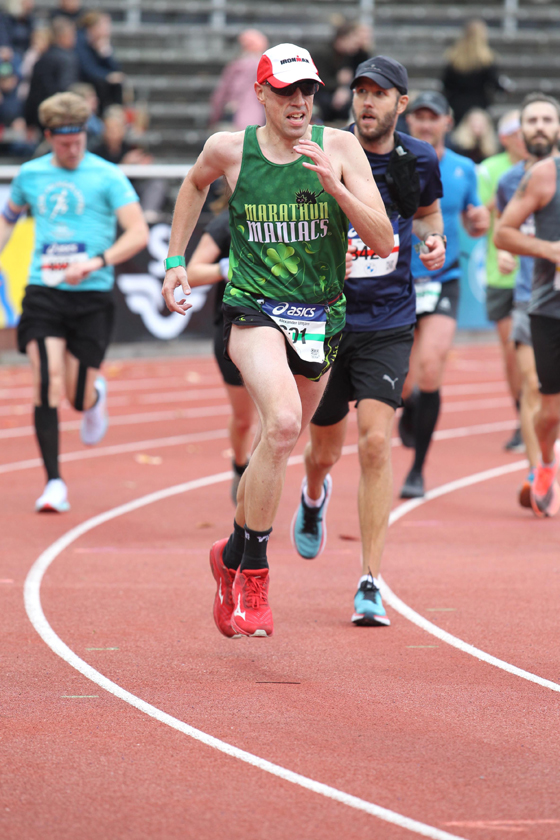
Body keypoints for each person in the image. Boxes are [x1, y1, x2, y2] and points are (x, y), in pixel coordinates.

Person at [162, 43, 394, 638]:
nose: (299, 102)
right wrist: (174, 260)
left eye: (307, 91)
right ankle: (256, 575)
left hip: (322, 318)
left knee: (282, 444)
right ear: (261, 94)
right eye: (286, 91)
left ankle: (230, 552)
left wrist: (338, 190)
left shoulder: (339, 147)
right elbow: (192, 185)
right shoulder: (229, 150)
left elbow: (384, 239)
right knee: (284, 424)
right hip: (253, 309)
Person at [290, 57, 445, 626]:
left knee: (376, 445)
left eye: (380, 94)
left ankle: (369, 580)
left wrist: (434, 243)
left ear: (401, 104)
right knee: (324, 451)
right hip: (327, 320)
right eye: (361, 92)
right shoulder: (323, 150)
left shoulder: (417, 158)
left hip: (388, 320)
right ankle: (313, 496)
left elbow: (427, 216)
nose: (368, 102)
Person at [0, 92, 148, 512]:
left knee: (77, 396)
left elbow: (136, 232)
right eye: (64, 141)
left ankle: (93, 398)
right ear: (48, 136)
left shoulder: (108, 175)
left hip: (91, 296)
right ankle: (53, 483)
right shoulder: (30, 175)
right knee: (45, 381)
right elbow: (8, 221)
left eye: (79, 138)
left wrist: (95, 261)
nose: (73, 148)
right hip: (43, 292)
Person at [398, 91, 489, 498]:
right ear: (409, 120)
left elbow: (475, 222)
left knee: (431, 367)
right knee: (403, 383)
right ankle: (410, 405)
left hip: (442, 277)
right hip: (396, 279)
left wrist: (478, 221)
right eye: (419, 116)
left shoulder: (464, 169)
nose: (426, 123)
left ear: (447, 122)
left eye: (433, 117)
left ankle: (418, 469)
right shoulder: (393, 161)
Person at [494, 92, 560, 517]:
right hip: (545, 304)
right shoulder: (540, 176)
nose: (539, 127)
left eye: (547, 119)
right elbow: (503, 233)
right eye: (531, 120)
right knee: (546, 404)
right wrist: (551, 251)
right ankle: (545, 463)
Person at [186, 201, 256, 503]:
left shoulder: (295, 216)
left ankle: (262, 483)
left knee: (277, 418)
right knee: (244, 419)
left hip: (287, 326)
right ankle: (241, 465)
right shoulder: (228, 220)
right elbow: (192, 272)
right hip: (235, 328)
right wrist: (225, 267)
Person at [478, 110, 527, 452]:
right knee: (512, 353)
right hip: (502, 273)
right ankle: (523, 418)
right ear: (506, 137)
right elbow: (480, 218)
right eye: (518, 131)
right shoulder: (490, 170)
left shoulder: (551, 167)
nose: (525, 137)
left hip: (541, 274)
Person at [442, 19, 505, 125]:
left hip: (457, 104)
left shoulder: (453, 57)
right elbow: (494, 82)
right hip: (479, 105)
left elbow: (446, 84)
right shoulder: (487, 59)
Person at [24, 16, 80, 128]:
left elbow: (32, 95)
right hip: (62, 119)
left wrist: (29, 122)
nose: (75, 39)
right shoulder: (68, 58)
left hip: (41, 117)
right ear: (62, 36)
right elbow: (66, 89)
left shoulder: (42, 58)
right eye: (72, 35)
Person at [209, 29, 268, 131]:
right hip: (256, 117)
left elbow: (222, 93)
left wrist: (215, 116)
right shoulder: (266, 66)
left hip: (236, 117)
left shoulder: (237, 66)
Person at [76, 11, 124, 114]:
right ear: (94, 26)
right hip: (82, 80)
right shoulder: (80, 40)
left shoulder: (102, 42)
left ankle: (115, 115)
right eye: (105, 25)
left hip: (97, 80)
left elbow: (116, 69)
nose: (108, 29)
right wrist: (107, 76)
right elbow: (85, 68)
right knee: (102, 83)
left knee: (117, 83)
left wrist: (105, 52)